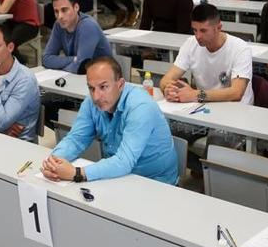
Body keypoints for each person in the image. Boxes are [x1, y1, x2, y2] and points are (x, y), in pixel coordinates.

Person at [42, 56, 178, 185]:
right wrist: (54, 162)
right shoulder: (91, 103)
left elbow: (124, 161)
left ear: (120, 84)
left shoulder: (140, 106)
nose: (96, 96)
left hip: (155, 182)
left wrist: (76, 173)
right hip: (119, 175)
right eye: (91, 88)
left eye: (103, 87)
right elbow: (76, 139)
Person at [160, 4, 254, 105]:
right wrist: (168, 89)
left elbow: (236, 93)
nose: (198, 36)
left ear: (218, 28)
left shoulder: (240, 48)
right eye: (195, 30)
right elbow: (166, 79)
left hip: (237, 109)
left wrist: (195, 95)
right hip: (205, 104)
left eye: (203, 31)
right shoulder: (190, 44)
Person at [0, 25, 41, 143]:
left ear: (10, 47)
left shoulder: (24, 79)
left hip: (20, 146)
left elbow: (2, 122)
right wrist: (2, 129)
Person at [43, 0, 112, 73]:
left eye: (64, 10)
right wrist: (74, 59)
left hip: (103, 78)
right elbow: (46, 59)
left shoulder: (88, 26)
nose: (60, 16)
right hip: (79, 77)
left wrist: (60, 66)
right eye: (56, 11)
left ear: (76, 7)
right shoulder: (58, 25)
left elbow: (81, 67)